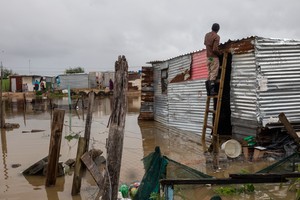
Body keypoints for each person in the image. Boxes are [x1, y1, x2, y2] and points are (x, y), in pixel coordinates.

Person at [204, 23, 222, 96]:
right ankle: (212, 91)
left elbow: (205, 43)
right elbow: (215, 49)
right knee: (214, 73)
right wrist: (220, 53)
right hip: (214, 57)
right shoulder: (216, 36)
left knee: (209, 73)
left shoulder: (207, 35)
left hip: (209, 57)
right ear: (218, 29)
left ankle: (208, 91)